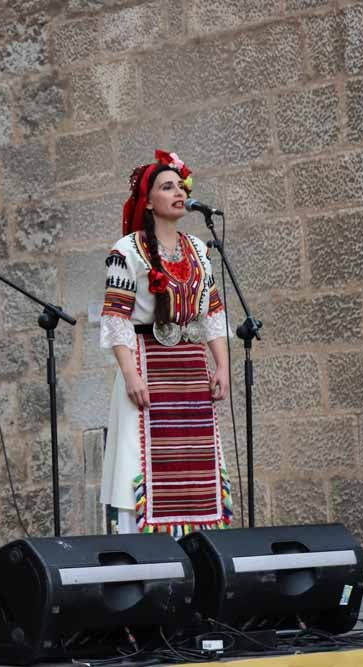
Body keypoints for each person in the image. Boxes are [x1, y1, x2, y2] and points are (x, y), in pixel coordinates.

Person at [99, 149, 232, 537]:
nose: (178, 192)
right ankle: (143, 555)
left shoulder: (200, 251)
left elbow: (212, 312)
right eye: (166, 186)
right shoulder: (127, 251)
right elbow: (116, 317)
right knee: (138, 463)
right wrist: (130, 375)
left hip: (190, 370)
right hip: (147, 365)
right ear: (149, 201)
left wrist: (221, 366)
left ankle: (199, 554)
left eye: (180, 186)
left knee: (194, 463)